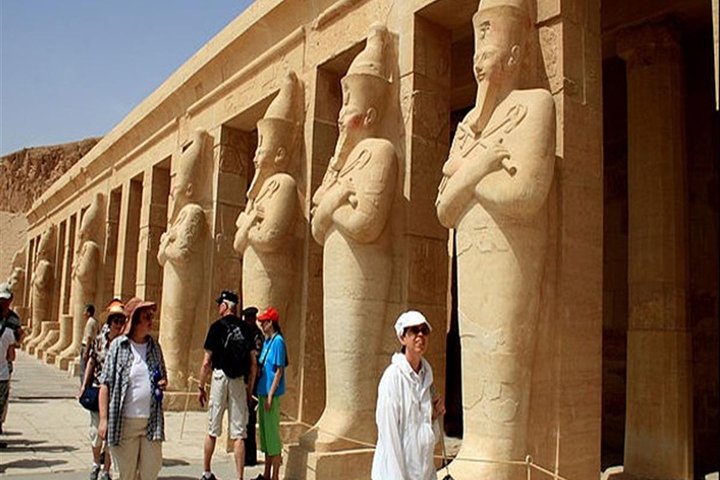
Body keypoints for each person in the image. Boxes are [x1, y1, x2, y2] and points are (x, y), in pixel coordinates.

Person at [371, 310, 445, 480]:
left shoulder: (427, 379)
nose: (420, 336)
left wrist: (434, 416)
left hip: (423, 472)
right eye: (414, 331)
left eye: (424, 331)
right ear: (402, 338)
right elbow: (389, 434)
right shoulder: (392, 378)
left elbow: (426, 434)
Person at [98, 297, 167, 480]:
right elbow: (105, 384)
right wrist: (103, 420)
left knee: (150, 472)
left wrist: (162, 383)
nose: (151, 321)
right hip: (124, 422)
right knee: (125, 474)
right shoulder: (118, 347)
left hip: (151, 421)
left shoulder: (155, 347)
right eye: (146, 317)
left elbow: (162, 376)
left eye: (151, 316)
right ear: (135, 321)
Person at [198, 291, 258, 480]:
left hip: (220, 377)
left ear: (225, 306)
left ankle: (206, 472)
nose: (218, 307)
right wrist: (249, 390)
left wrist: (201, 386)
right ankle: (239, 477)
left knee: (212, 429)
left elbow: (206, 362)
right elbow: (253, 364)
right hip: (238, 380)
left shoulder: (216, 327)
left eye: (220, 304)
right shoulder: (246, 329)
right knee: (239, 433)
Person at [80, 299, 125, 480]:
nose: (119, 324)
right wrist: (84, 385)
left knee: (111, 434)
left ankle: (106, 469)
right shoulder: (100, 341)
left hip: (116, 393)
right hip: (98, 389)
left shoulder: (125, 344)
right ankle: (95, 462)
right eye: (116, 321)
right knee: (96, 431)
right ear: (110, 322)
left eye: (122, 321)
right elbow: (91, 362)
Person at [254, 307, 287, 480]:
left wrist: (270, 395)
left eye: (264, 322)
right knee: (266, 437)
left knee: (273, 436)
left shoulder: (278, 341)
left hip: (270, 395)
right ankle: (267, 473)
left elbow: (279, 371)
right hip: (262, 391)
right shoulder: (267, 341)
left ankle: (275, 475)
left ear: (271, 323)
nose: (261, 325)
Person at [241, 306, 263, 467]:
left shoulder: (255, 336)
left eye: (249, 319)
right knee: (244, 420)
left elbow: (255, 363)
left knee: (249, 420)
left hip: (253, 381)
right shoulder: (247, 333)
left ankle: (250, 457)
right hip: (246, 379)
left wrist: (251, 385)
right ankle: (246, 455)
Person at [0, 282, 19, 445]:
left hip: (5, 367)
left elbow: (16, 344)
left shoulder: (14, 319)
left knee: (2, 403)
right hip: (4, 365)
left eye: (6, 300)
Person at [80, 304, 98, 384]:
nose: (83, 313)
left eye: (85, 311)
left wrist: (86, 352)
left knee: (84, 370)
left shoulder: (90, 322)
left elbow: (89, 338)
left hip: (87, 346)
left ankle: (83, 387)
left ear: (88, 312)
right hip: (91, 346)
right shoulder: (94, 321)